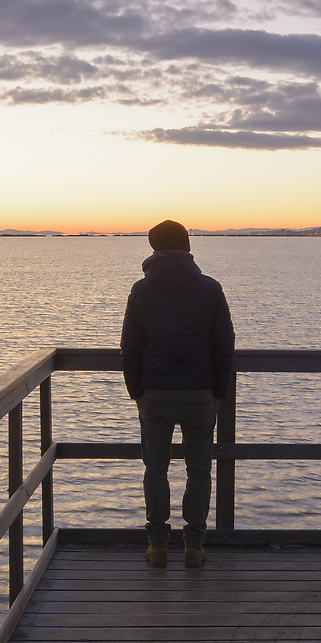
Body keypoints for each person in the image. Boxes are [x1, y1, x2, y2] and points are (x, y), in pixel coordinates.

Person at [119, 220, 235, 568]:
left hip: (155, 393)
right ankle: (194, 546)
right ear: (187, 246)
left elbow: (130, 346)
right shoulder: (210, 288)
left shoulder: (142, 290)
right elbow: (224, 345)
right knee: (199, 472)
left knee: (156, 469)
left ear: (154, 248)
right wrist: (218, 391)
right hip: (200, 394)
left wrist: (136, 391)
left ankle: (157, 546)